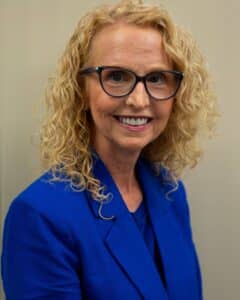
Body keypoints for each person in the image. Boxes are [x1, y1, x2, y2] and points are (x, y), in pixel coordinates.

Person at [1, 0, 218, 299]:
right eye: (116, 76)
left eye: (156, 78)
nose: (139, 100)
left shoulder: (170, 192)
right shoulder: (40, 216)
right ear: (81, 90)